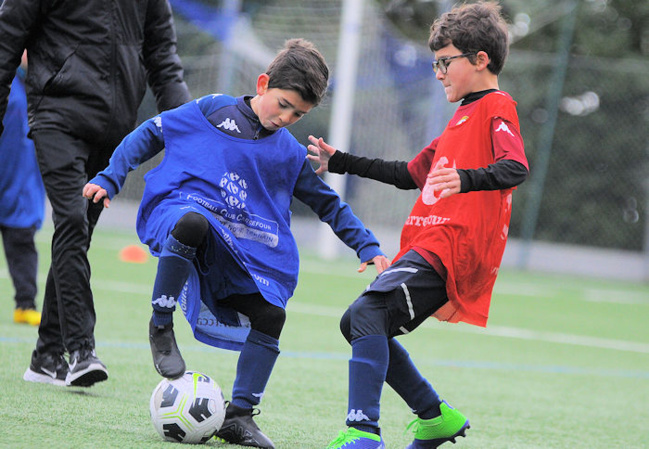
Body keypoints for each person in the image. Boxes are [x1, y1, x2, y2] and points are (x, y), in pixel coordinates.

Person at [83, 38, 390, 449]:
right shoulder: (212, 109)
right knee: (193, 222)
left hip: (232, 246)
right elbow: (147, 135)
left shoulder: (288, 152)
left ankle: (239, 415)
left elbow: (328, 204)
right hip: (178, 212)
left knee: (270, 316)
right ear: (263, 84)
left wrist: (366, 245)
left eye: (298, 114)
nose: (286, 118)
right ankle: (160, 323)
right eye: (282, 104)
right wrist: (109, 176)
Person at [307, 2, 530, 448]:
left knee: (368, 313)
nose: (438, 72)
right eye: (435, 63)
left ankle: (363, 432)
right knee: (357, 320)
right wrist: (341, 161)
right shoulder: (461, 118)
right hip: (429, 243)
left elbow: (516, 166)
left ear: (479, 59)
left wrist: (466, 179)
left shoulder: (496, 107)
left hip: (451, 248)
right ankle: (434, 417)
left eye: (445, 62)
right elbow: (410, 174)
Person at [0, 0, 192, 388]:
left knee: (77, 233)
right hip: (56, 114)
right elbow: (6, 42)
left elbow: (163, 57)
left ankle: (46, 357)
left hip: (115, 127)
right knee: (70, 218)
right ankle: (81, 351)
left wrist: (189, 134)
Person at [0, 52, 45, 327]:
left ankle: (25, 304)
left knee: (23, 242)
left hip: (24, 184)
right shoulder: (7, 81)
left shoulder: (45, 86)